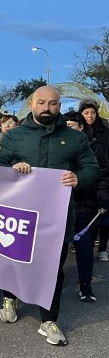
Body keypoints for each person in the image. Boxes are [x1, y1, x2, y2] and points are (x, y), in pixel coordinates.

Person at [0, 86, 99, 346]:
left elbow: (91, 168)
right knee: (14, 259)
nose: (46, 108)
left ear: (59, 106)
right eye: (41, 103)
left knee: (52, 269)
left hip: (57, 217)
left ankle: (49, 319)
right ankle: (9, 296)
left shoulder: (75, 138)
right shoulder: (14, 136)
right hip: (20, 216)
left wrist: (78, 178)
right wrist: (12, 169)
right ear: (31, 104)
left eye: (52, 103)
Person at [63, 111, 109, 302]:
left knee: (84, 245)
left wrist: (103, 201)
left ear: (81, 128)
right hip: (58, 204)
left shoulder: (93, 147)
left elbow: (103, 175)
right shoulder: (59, 147)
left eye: (71, 126)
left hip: (84, 203)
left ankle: (86, 285)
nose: (67, 130)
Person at [78, 99, 109, 261]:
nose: (90, 116)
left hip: (104, 174)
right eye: (86, 112)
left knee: (104, 213)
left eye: (92, 112)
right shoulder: (77, 131)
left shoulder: (105, 129)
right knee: (88, 213)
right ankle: (85, 240)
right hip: (87, 177)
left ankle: (102, 248)